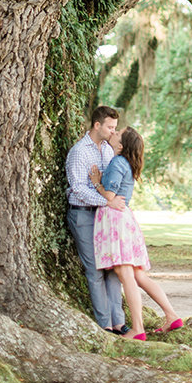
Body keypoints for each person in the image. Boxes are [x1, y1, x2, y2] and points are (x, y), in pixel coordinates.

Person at [89, 126, 183, 340]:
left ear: (121, 146)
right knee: (139, 275)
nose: (112, 133)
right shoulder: (126, 163)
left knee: (127, 275)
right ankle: (171, 315)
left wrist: (96, 183)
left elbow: (110, 196)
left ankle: (137, 328)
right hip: (126, 221)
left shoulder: (116, 163)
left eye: (117, 134)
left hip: (115, 222)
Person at [65, 105, 128, 334]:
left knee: (111, 269)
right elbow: (78, 189)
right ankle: (105, 324)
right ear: (97, 125)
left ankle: (119, 322)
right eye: (110, 127)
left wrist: (109, 201)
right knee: (94, 270)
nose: (113, 131)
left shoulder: (108, 151)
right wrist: (107, 201)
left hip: (104, 217)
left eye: (115, 127)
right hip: (83, 215)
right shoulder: (80, 152)